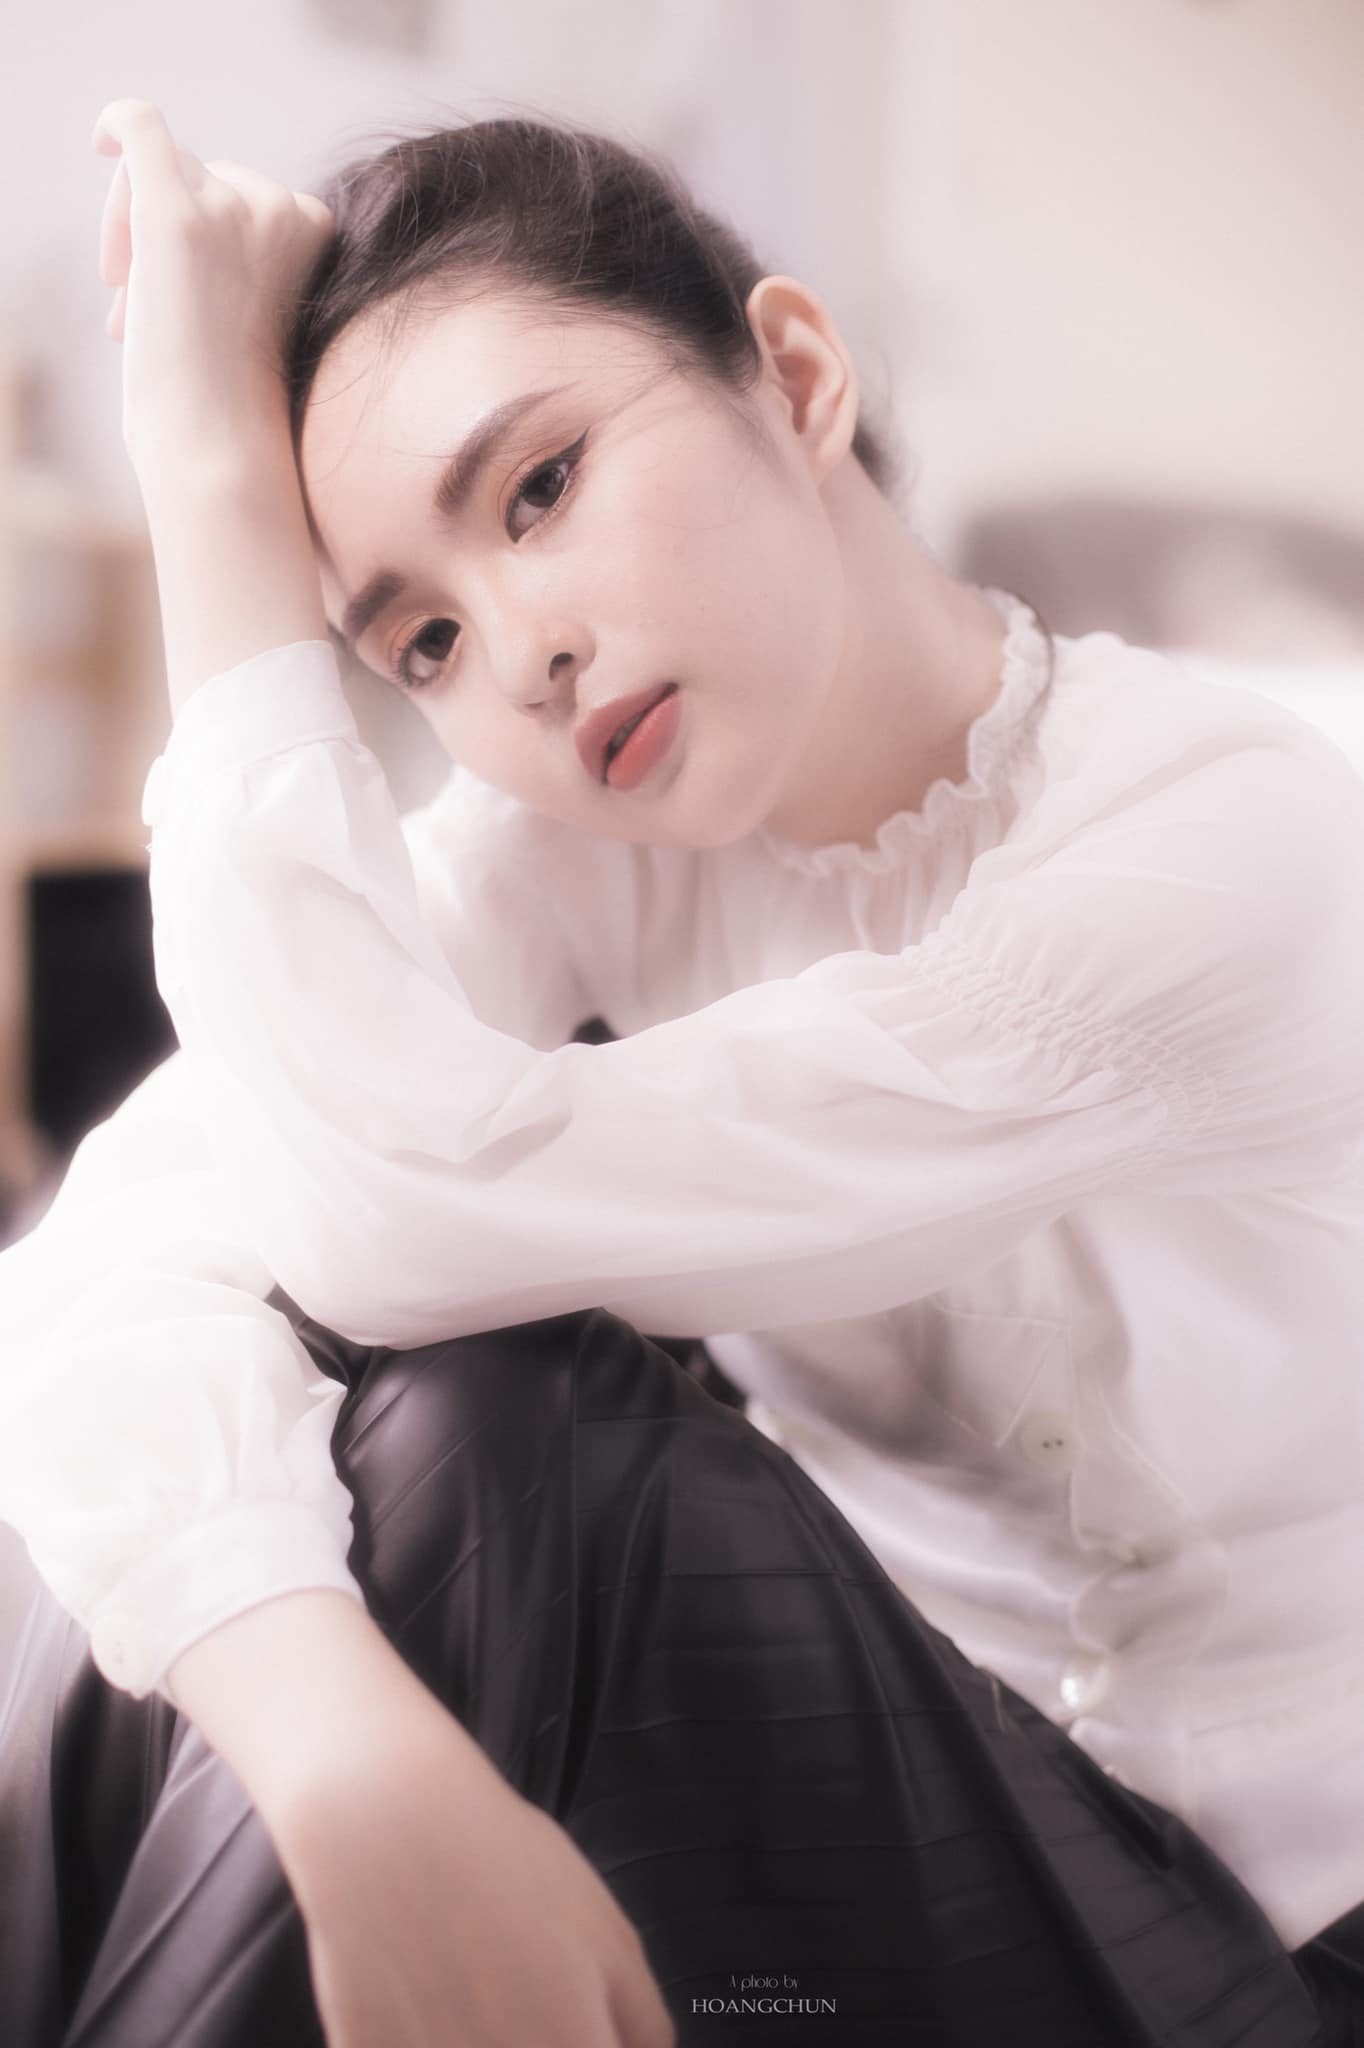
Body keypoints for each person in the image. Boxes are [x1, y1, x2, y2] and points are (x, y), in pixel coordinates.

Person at [0, 94, 1361, 2048]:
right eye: (422, 644)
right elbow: (91, 1270)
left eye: (540, 487)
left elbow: (394, 1211)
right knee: (281, 1543)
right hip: (888, 1789)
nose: (522, 658)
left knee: (498, 1426)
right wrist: (343, 1753)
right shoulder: (591, 843)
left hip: (1280, 1949)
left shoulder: (1217, 842)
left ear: (792, 376)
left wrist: (207, 480)